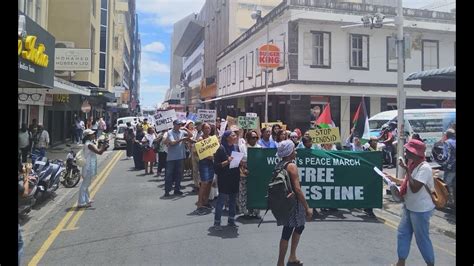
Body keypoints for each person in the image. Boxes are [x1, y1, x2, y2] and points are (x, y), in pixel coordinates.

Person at [384, 139, 435, 266]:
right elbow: (408, 182)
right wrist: (394, 179)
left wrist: (406, 170)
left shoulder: (425, 168)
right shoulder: (413, 165)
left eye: (408, 151)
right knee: (403, 234)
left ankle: (430, 264)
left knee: (422, 239)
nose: (406, 153)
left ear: (416, 154)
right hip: (409, 206)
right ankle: (401, 262)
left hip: (420, 210)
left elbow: (415, 187)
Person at [276, 140, 312, 266]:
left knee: (299, 227)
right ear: (289, 152)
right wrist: (307, 207)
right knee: (288, 231)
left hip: (285, 202)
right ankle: (280, 262)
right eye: (293, 149)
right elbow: (297, 189)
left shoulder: (280, 164)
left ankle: (292, 256)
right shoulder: (291, 166)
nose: (295, 151)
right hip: (293, 203)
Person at [213, 130, 241, 230]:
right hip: (224, 178)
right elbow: (216, 166)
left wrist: (241, 163)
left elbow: (238, 161)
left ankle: (231, 220)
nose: (235, 137)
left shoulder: (237, 147)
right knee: (222, 200)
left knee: (233, 200)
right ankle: (217, 223)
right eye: (233, 135)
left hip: (234, 176)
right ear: (227, 137)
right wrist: (227, 161)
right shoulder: (221, 149)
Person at [78, 129, 109, 208]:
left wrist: (103, 144)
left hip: (89, 166)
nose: (94, 135)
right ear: (88, 136)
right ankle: (81, 202)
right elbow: (99, 152)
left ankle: (87, 200)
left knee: (87, 184)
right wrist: (104, 144)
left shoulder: (90, 143)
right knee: (85, 185)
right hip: (88, 167)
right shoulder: (89, 144)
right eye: (92, 134)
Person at [163, 120, 192, 197]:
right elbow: (172, 143)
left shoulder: (182, 132)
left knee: (179, 174)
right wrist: (182, 139)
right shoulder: (170, 132)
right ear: (174, 125)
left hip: (181, 156)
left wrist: (186, 129)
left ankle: (177, 189)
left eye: (180, 125)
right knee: (169, 174)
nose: (179, 126)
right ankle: (167, 190)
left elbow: (191, 135)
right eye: (178, 124)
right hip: (171, 158)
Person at [238, 130, 261, 219]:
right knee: (244, 192)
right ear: (247, 138)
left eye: (256, 137)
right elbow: (239, 160)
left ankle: (256, 211)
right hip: (244, 173)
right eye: (252, 137)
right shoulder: (242, 147)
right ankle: (245, 211)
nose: (254, 139)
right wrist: (244, 168)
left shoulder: (259, 147)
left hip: (256, 174)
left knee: (256, 192)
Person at [195, 123, 214, 214]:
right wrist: (207, 156)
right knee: (204, 182)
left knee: (210, 182)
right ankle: (199, 203)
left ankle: (206, 201)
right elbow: (198, 152)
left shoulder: (211, 138)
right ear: (202, 129)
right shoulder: (200, 139)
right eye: (206, 128)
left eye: (209, 128)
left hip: (211, 163)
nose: (208, 129)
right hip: (204, 163)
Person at [441, 128, 456, 208]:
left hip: (450, 167)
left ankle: (448, 202)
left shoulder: (447, 143)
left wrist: (444, 163)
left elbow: (446, 156)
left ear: (447, 135)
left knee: (446, 185)